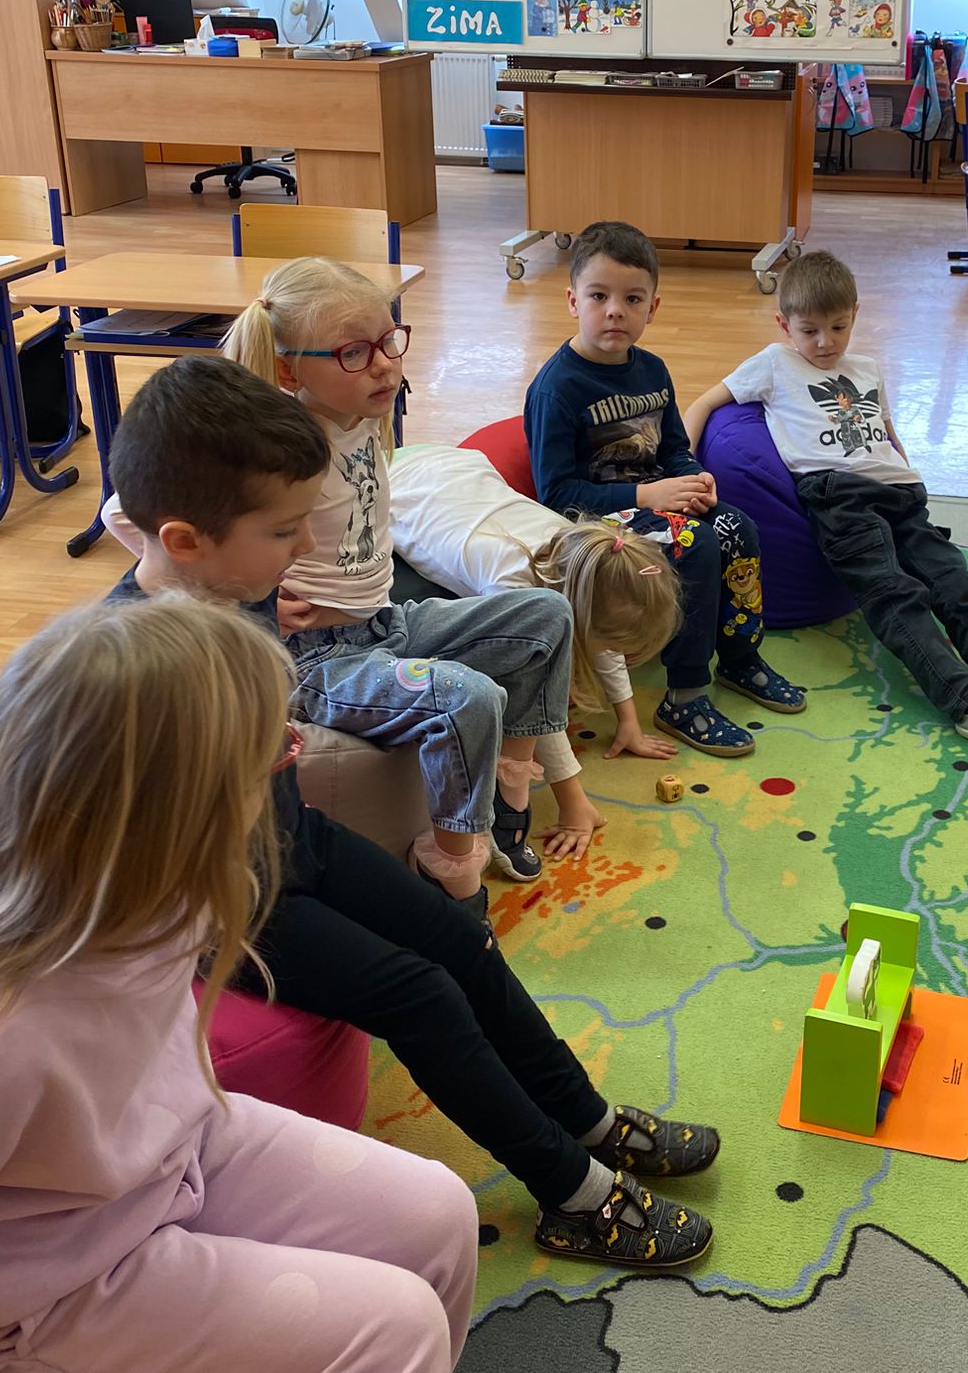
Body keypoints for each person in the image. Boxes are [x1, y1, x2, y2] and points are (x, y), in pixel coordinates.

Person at [0, 594, 481, 1373]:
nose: (288, 767)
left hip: (158, 1163)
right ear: (178, 818)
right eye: (271, 755)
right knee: (393, 1326)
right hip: (23, 1308)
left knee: (437, 1213)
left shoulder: (161, 900)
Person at [105, 355, 720, 1265]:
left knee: (463, 938)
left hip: (286, 839)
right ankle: (573, 1193)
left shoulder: (234, 586)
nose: (302, 550)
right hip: (215, 897)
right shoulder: (135, 662)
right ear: (187, 540)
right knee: (421, 995)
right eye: (282, 532)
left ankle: (588, 1120)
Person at [222, 256, 575, 900]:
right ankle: (450, 868)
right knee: (469, 697)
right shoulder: (277, 447)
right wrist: (257, 607)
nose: (385, 364)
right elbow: (127, 512)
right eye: (354, 353)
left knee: (546, 613)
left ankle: (510, 787)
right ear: (287, 370)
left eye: (389, 340)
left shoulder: (365, 417)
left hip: (384, 624)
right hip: (318, 660)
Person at [683, 250, 968, 758]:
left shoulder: (868, 369)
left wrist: (910, 479)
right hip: (837, 497)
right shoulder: (774, 362)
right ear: (784, 324)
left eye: (838, 327)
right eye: (809, 331)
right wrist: (686, 467)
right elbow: (703, 404)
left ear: (856, 314)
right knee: (895, 595)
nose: (825, 342)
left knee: (956, 585)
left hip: (900, 495)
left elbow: (888, 435)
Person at [525, 221, 803, 758]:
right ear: (572, 301)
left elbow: (673, 446)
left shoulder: (652, 369)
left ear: (652, 308)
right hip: (600, 526)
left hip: (658, 502)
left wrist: (694, 477)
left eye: (632, 299)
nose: (615, 311)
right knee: (695, 544)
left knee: (738, 527)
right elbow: (555, 496)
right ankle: (686, 694)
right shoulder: (557, 388)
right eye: (599, 296)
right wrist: (646, 498)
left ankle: (740, 658)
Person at [391, 441, 684, 860]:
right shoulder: (513, 587)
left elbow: (600, 637)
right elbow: (537, 706)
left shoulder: (587, 561)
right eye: (611, 644)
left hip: (455, 468)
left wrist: (629, 721)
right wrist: (573, 801)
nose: (612, 653)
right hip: (403, 485)